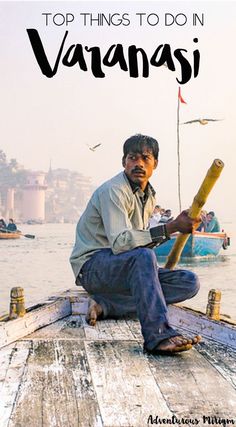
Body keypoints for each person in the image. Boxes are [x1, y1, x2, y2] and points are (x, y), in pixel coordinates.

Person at [70, 134, 201, 354]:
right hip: (92, 268)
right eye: (132, 158)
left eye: (145, 158)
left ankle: (108, 305)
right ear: (124, 162)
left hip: (121, 269)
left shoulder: (148, 196)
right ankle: (158, 336)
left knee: (188, 282)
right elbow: (122, 244)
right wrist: (172, 227)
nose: (138, 163)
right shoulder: (113, 191)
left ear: (154, 164)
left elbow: (138, 244)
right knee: (144, 258)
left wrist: (178, 225)